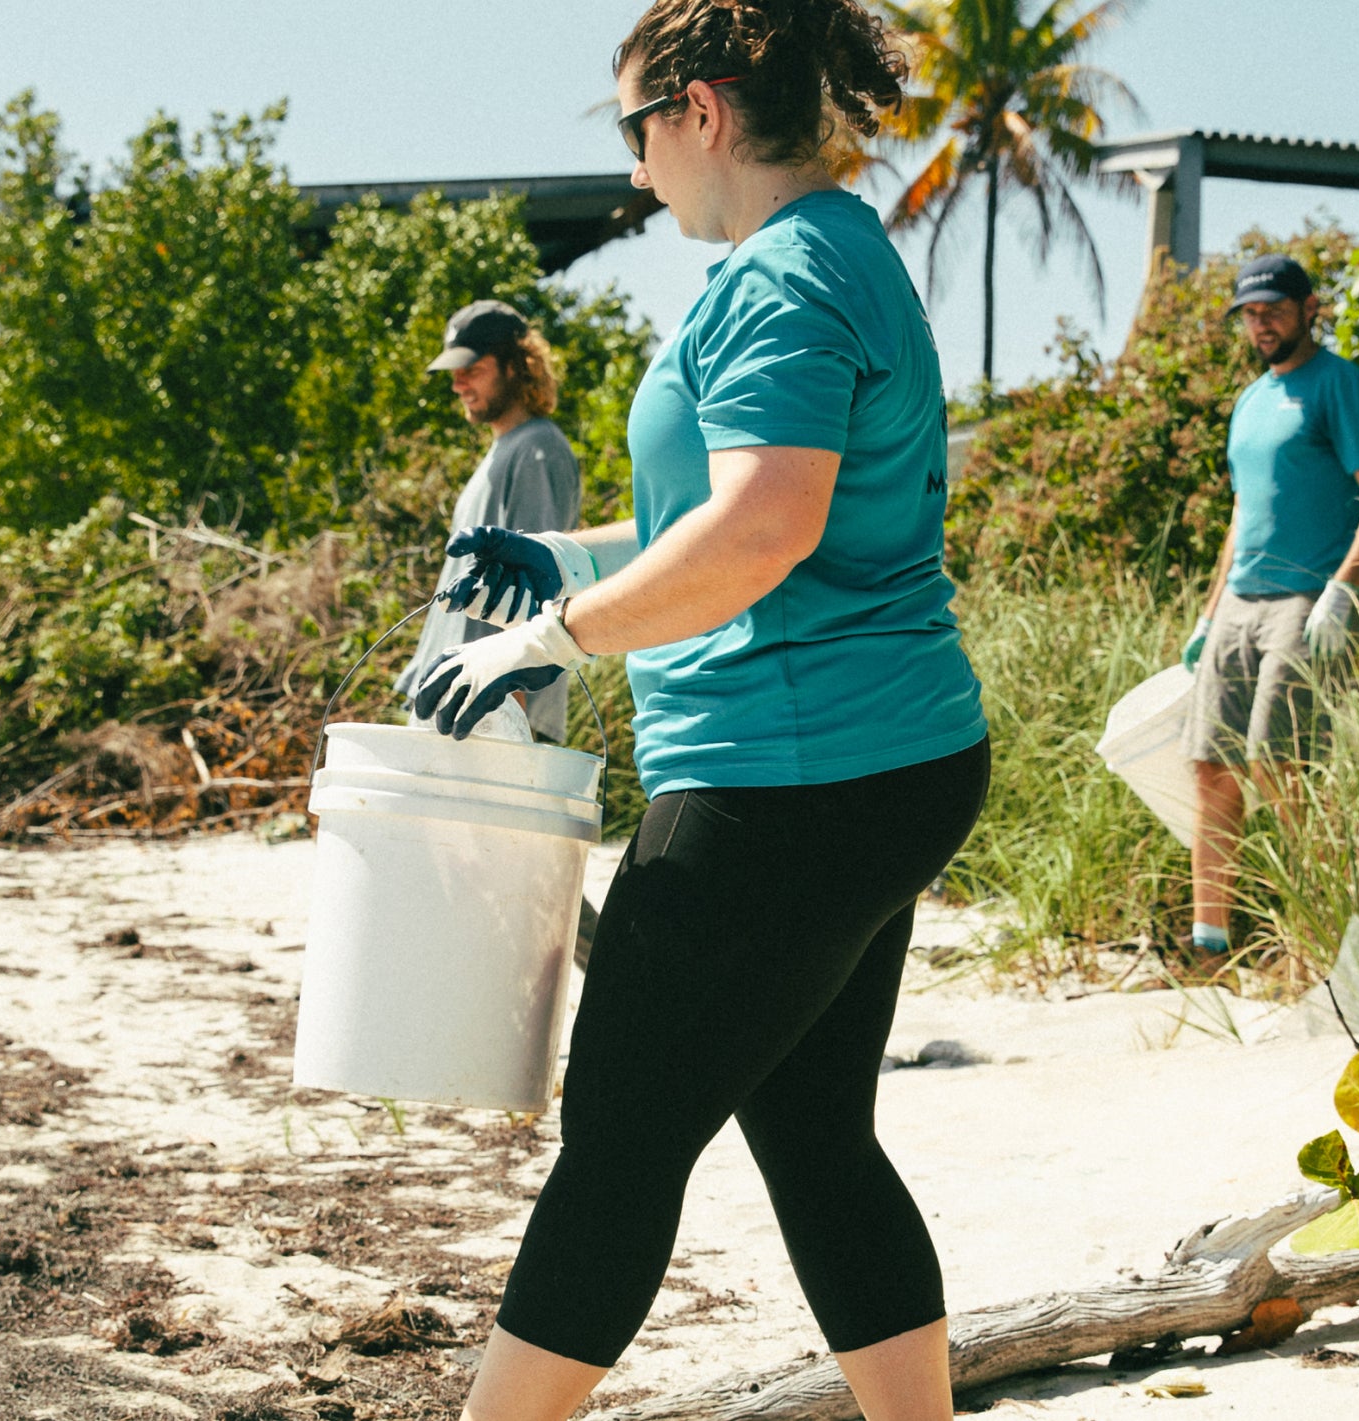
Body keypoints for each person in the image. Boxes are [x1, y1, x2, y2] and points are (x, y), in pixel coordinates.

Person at [408, 5, 991, 1419]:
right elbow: (736, 518)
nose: (633, 171)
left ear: (702, 111)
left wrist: (552, 637)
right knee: (812, 1132)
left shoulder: (781, 277)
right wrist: (572, 557)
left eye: (633, 132)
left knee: (616, 1146)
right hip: (885, 755)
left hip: (780, 774)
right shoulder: (842, 247)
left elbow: (760, 536)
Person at [1179, 255, 1359, 955]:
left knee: (1278, 765)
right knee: (1210, 766)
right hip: (1239, 602)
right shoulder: (1250, 403)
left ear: (1311, 307)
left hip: (1305, 600)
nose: (1262, 323)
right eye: (1251, 312)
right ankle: (1209, 946)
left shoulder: (1341, 386)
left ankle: (1319, 934)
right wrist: (1209, 613)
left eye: (1274, 308)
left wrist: (1342, 591)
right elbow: (1243, 515)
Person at [394, 299, 581, 744]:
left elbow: (533, 597)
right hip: (463, 713)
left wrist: (514, 726)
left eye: (471, 369)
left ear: (517, 365)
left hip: (492, 721)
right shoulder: (506, 449)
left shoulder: (537, 449)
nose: (457, 384)